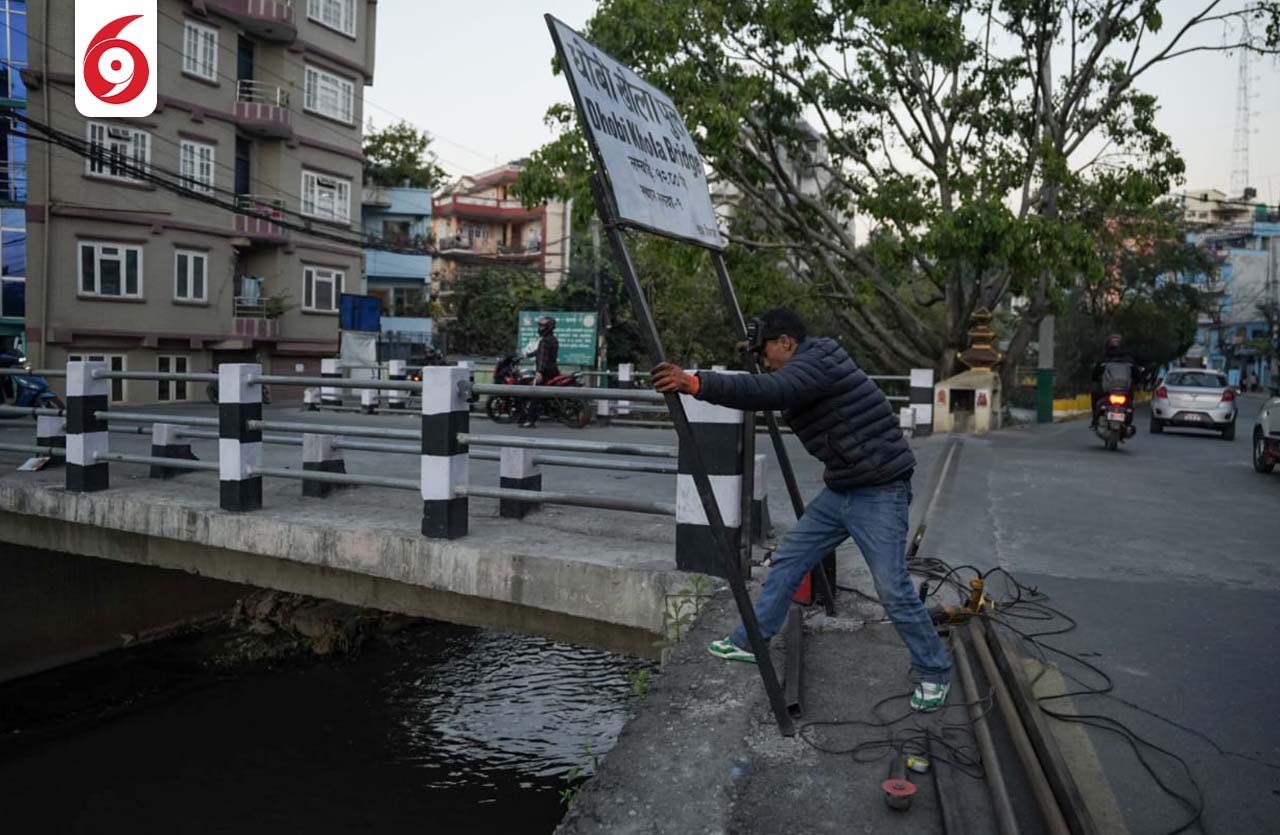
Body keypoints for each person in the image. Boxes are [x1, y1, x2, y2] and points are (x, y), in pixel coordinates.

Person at [650, 308, 952, 712]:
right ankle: (750, 641)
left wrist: (695, 383)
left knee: (892, 588)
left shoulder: (818, 362)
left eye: (766, 352)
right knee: (790, 559)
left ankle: (935, 672)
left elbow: (769, 392)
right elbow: (771, 384)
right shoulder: (807, 363)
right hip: (843, 487)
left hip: (879, 489)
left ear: (786, 343)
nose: (765, 362)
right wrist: (748, 362)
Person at [520, 316, 561, 428]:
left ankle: (530, 421)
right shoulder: (553, 340)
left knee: (535, 395)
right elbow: (539, 352)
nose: (540, 328)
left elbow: (542, 357)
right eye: (540, 326)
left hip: (545, 372)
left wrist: (539, 372)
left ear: (549, 327)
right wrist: (527, 355)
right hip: (553, 371)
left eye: (543, 326)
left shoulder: (544, 341)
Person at [1090, 335, 1137, 429]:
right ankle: (1128, 422)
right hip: (1125, 391)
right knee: (1130, 401)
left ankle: (1095, 420)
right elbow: (1137, 375)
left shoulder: (1103, 360)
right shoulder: (1129, 360)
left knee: (1095, 395)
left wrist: (1095, 379)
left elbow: (1094, 374)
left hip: (1107, 391)